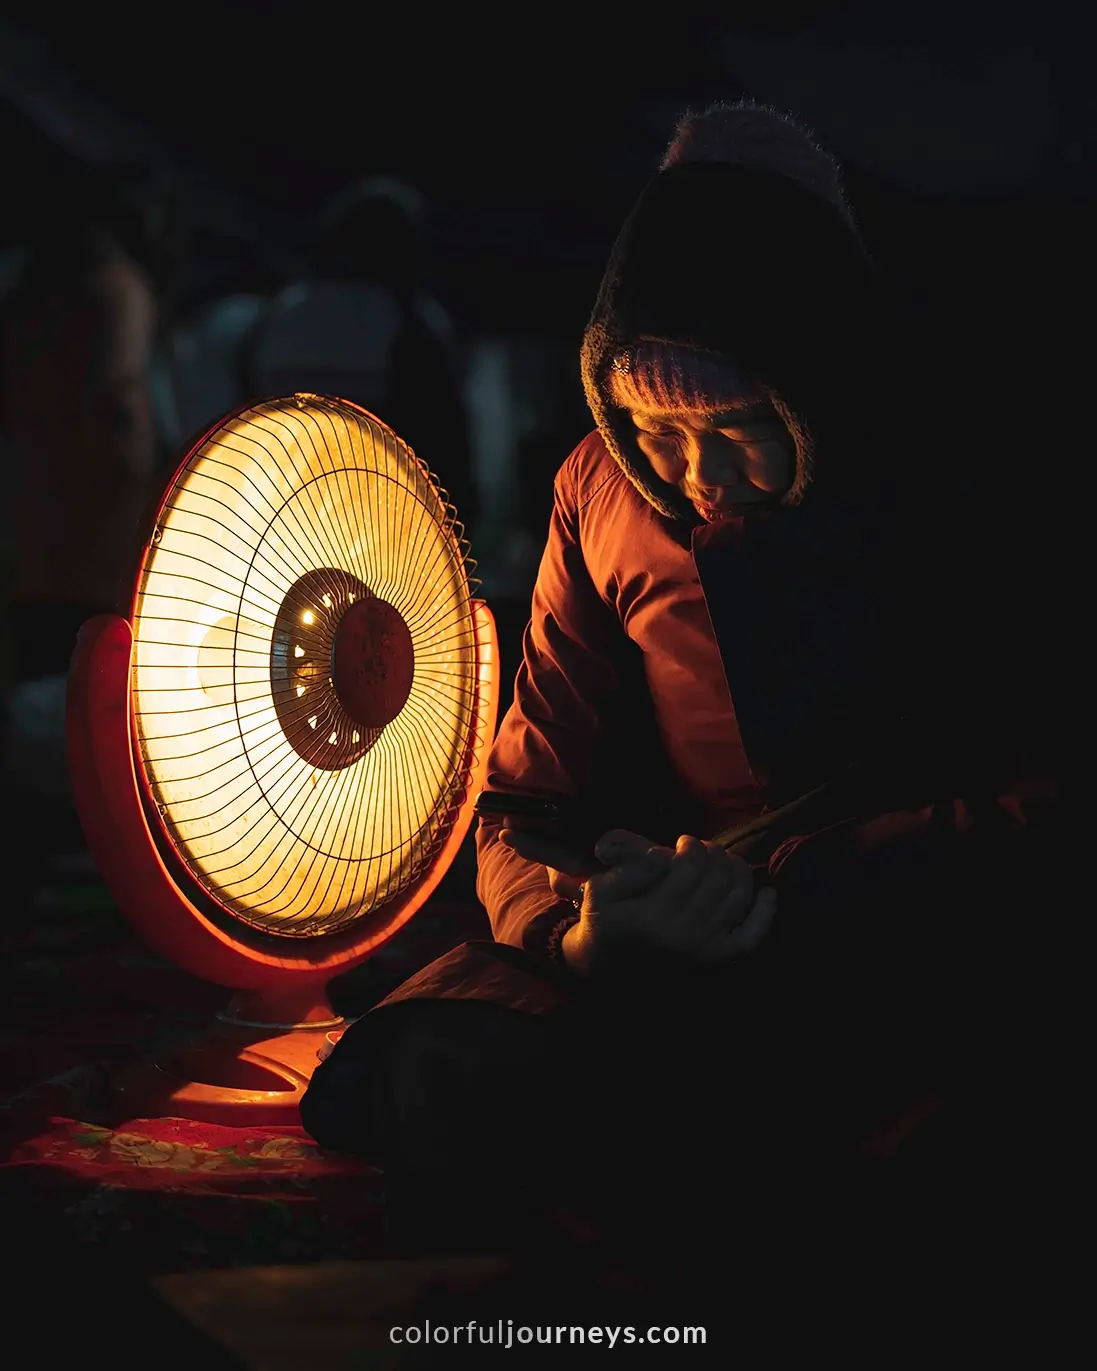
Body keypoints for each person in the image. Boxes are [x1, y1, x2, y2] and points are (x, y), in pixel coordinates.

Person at [300, 103, 1058, 1289]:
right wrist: (584, 934)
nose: (695, 474)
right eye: (653, 427)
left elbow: (1045, 808)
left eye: (740, 427)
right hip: (649, 949)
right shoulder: (599, 497)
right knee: (437, 1051)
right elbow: (525, 799)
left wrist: (780, 894)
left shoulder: (958, 492)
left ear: (818, 386)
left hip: (898, 940)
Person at [245, 175, 479, 533]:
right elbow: (442, 433)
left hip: (281, 515)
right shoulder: (409, 322)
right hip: (382, 522)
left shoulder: (281, 314)